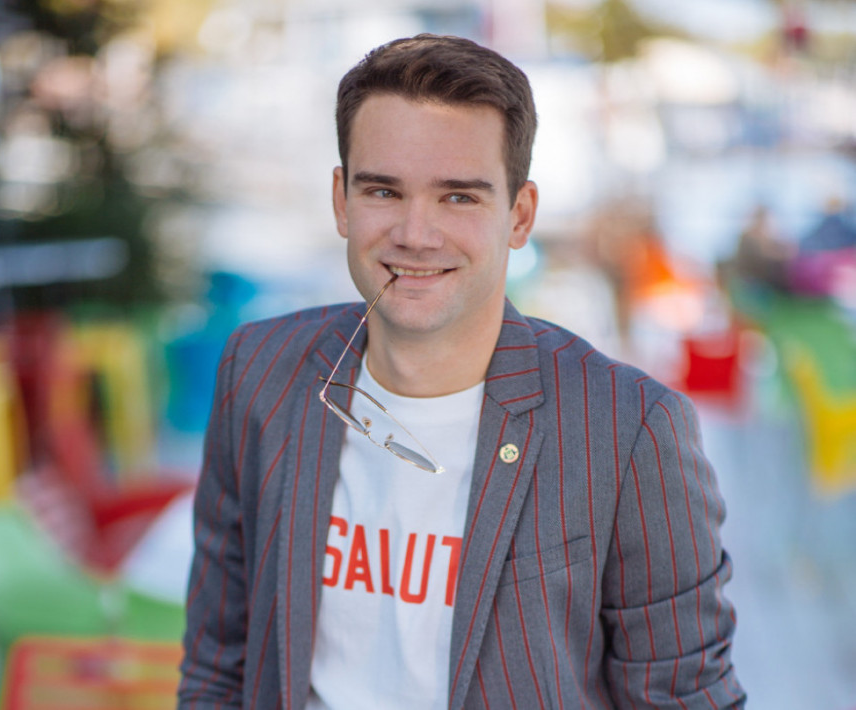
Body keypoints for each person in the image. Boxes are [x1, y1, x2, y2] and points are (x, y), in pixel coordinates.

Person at [178, 34, 745, 709]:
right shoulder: (259, 372)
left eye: (458, 198)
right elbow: (218, 663)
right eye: (384, 190)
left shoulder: (626, 430)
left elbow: (685, 698)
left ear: (520, 215)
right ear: (341, 200)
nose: (415, 234)